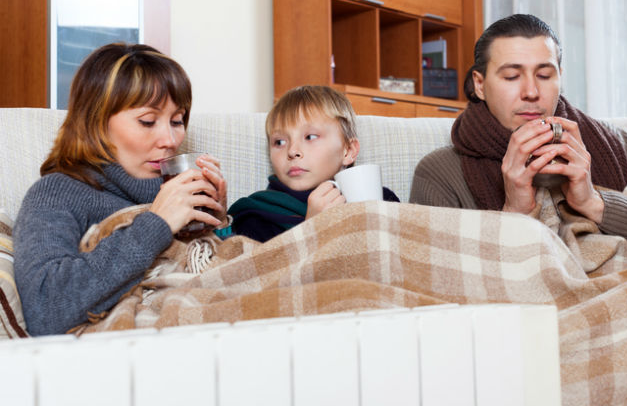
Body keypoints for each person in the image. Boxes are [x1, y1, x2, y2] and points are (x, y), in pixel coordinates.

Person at [409, 14, 627, 261]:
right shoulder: (440, 172)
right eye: (512, 76)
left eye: (544, 75)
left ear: (560, 76)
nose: (531, 92)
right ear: (479, 84)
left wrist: (593, 202)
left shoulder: (611, 144)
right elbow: (434, 276)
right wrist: (515, 211)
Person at [13, 43, 229, 336]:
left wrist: (219, 223)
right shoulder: (56, 193)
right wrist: (158, 223)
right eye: (148, 121)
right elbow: (46, 309)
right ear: (97, 123)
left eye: (177, 121)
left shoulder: (183, 192)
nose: (170, 139)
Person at [227, 85, 399, 242]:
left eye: (310, 137)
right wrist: (310, 231)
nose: (292, 151)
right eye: (279, 142)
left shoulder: (384, 201)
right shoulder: (255, 216)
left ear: (348, 151)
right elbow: (261, 273)